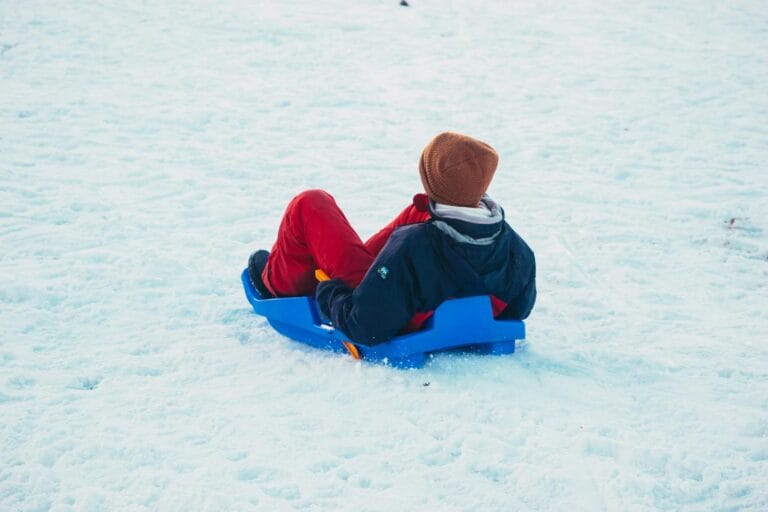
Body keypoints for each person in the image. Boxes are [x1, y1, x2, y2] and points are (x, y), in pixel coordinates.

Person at [248, 132, 536, 346]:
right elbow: (517, 309)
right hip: (419, 288)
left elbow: (365, 326)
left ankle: (275, 280)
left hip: (385, 301)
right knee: (419, 209)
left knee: (310, 204)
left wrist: (329, 292)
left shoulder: (413, 246)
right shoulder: (517, 249)